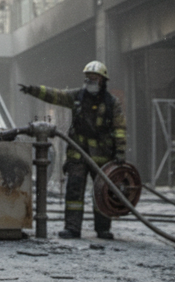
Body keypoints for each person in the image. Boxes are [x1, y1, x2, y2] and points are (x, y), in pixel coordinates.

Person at [19, 61, 127, 240]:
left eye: (95, 78)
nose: (91, 80)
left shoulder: (112, 103)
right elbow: (56, 95)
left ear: (103, 80)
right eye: (88, 77)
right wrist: (34, 90)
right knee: (74, 192)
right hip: (78, 154)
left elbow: (120, 129)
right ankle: (72, 228)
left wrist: (120, 153)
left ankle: (103, 229)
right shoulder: (78, 96)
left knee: (102, 192)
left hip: (102, 156)